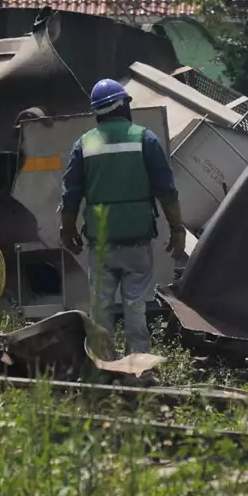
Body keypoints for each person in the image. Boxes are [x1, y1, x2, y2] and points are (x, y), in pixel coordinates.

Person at [58, 79, 186, 355]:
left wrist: (67, 230)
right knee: (135, 303)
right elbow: (166, 191)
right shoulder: (145, 139)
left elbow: (70, 195)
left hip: (101, 241)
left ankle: (103, 361)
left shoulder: (84, 144)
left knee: (101, 305)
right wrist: (177, 229)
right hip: (137, 238)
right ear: (123, 105)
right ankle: (138, 364)